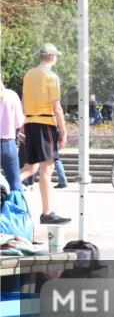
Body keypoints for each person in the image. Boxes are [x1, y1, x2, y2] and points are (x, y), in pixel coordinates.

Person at [18, 44, 70, 225]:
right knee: (47, 169)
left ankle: (6, 186)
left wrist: (23, 124)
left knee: (29, 168)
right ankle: (47, 213)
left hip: (30, 123)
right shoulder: (51, 77)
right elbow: (57, 107)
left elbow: (24, 102)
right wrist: (63, 130)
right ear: (53, 57)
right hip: (45, 123)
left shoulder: (29, 75)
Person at [0, 73, 26, 193]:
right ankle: (17, 204)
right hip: (8, 144)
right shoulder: (12, 95)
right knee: (15, 182)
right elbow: (19, 122)